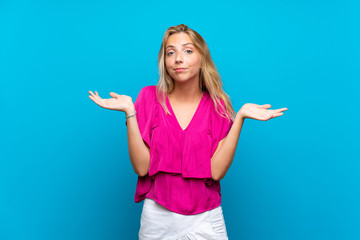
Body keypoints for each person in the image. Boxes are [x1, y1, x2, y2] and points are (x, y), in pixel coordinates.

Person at [88, 24, 288, 240]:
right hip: (157, 218)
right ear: (164, 61)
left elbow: (216, 172)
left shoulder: (218, 105)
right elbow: (141, 167)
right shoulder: (148, 97)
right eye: (170, 52)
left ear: (202, 59)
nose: (178, 59)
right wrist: (130, 111)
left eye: (188, 51)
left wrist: (239, 118)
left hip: (205, 218)